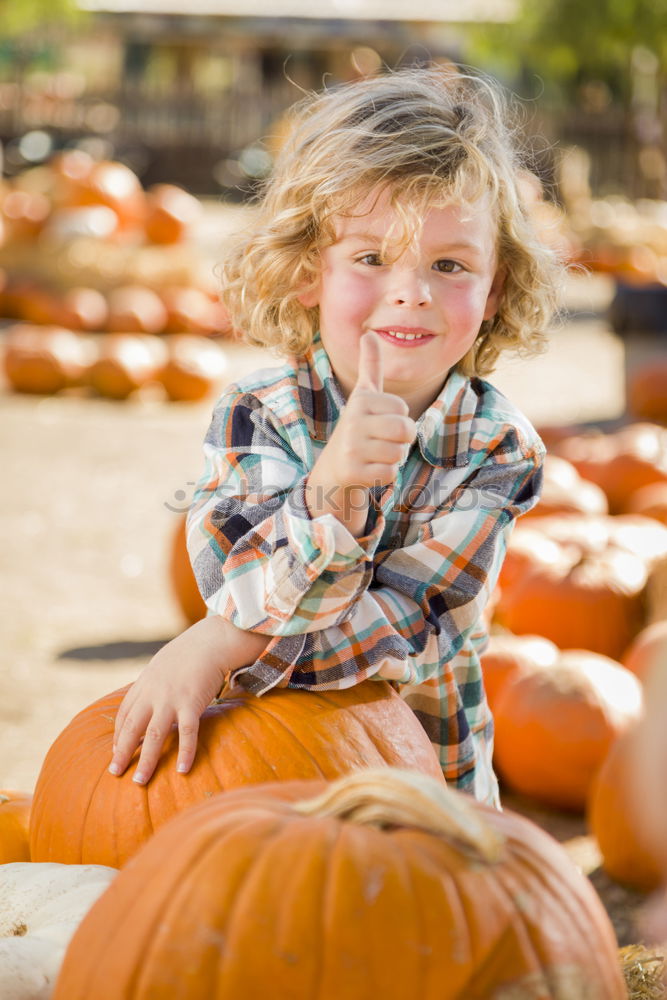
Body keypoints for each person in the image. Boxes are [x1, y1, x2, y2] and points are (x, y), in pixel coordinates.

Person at [109, 65, 563, 803]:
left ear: (495, 289)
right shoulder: (258, 414)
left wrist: (226, 641)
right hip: (264, 775)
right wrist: (330, 493)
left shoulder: (495, 448)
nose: (410, 289)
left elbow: (401, 638)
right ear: (305, 272)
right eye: (369, 258)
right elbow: (229, 578)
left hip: (426, 789)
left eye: (449, 264)